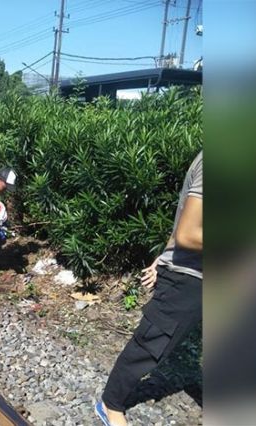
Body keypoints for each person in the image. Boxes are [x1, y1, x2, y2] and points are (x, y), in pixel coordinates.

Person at [95, 151, 203, 426]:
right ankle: (110, 404)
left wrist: (162, 256)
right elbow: (188, 232)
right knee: (152, 344)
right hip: (189, 275)